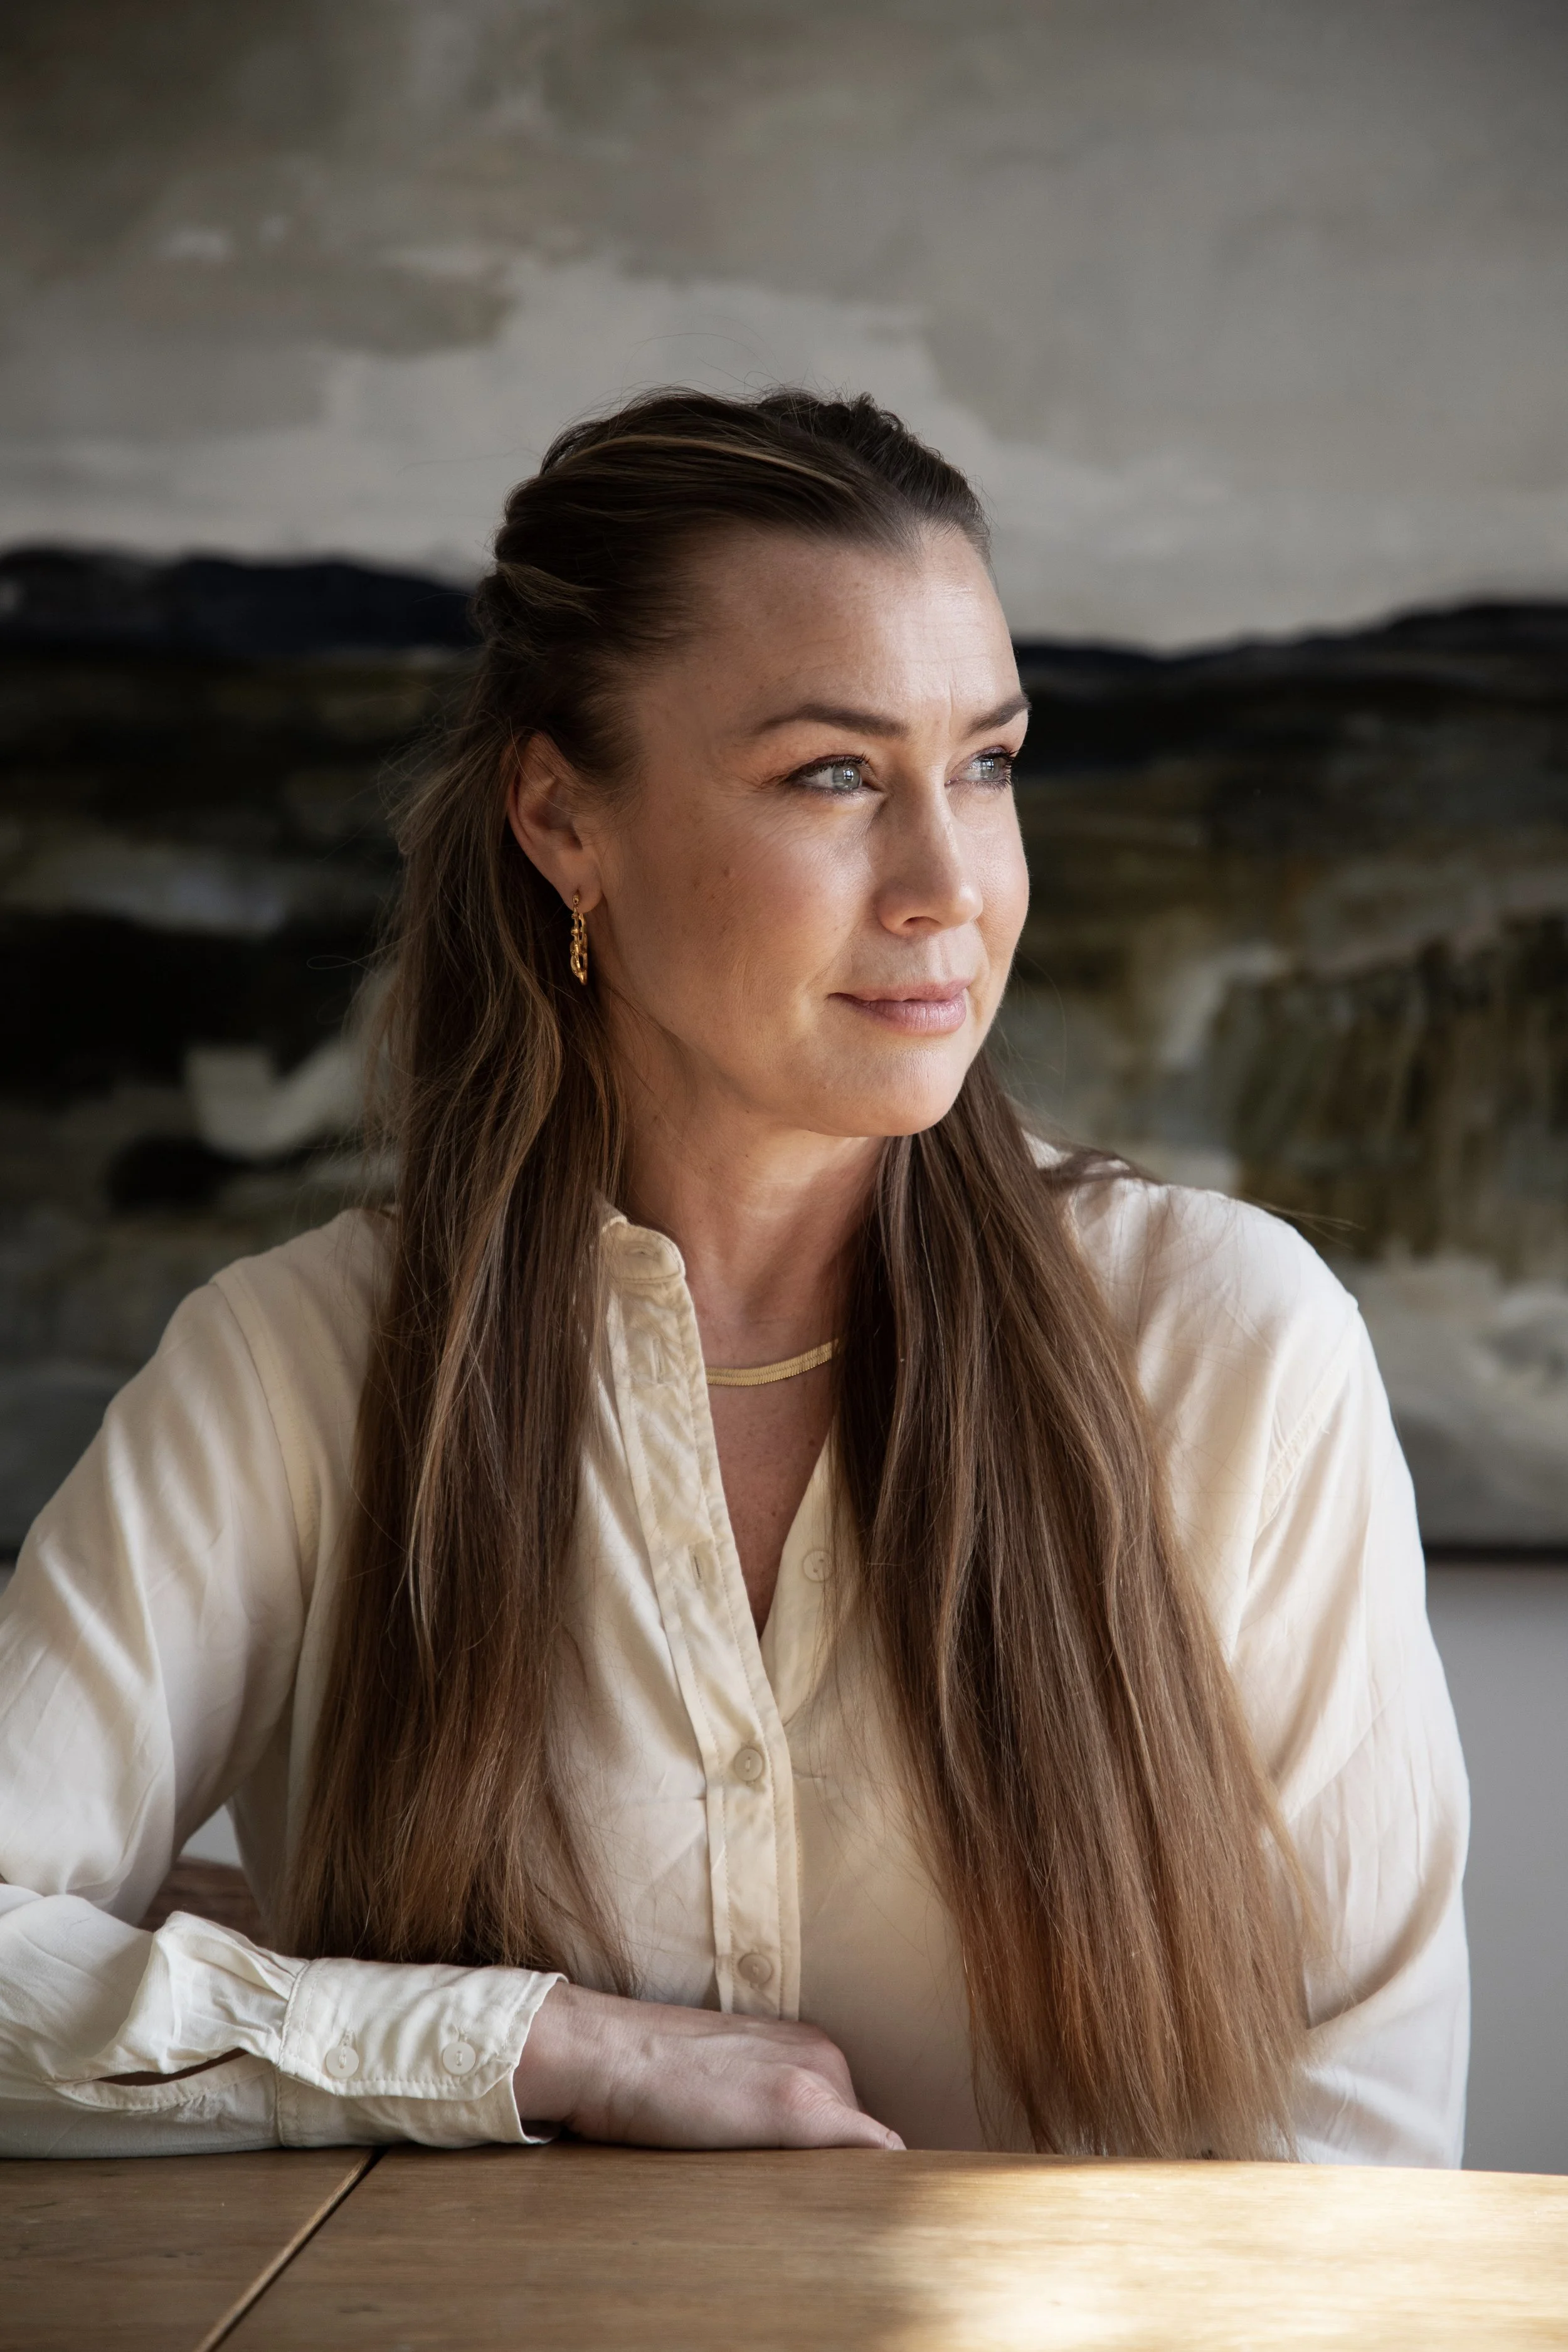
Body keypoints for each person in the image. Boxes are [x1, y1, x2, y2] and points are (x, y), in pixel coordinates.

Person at [0, 389, 1467, 2163]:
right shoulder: (303, 1368)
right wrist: (540, 2043)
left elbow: (1361, 2167)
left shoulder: (1231, 1344)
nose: (950, 883)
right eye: (833, 773)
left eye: (987, 762)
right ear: (562, 817)